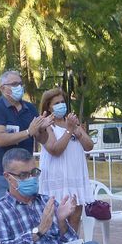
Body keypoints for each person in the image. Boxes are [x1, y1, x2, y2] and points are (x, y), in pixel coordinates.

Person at [37, 88, 92, 235]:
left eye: (62, 102)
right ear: (49, 107)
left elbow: (89, 146)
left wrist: (78, 133)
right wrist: (69, 131)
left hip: (75, 177)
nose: (61, 105)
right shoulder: (47, 125)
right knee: (57, 220)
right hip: (56, 178)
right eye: (56, 103)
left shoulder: (71, 122)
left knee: (75, 218)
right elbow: (55, 150)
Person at [0, 70, 42, 202]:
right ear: (2, 88)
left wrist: (43, 128)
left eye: (20, 84)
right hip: (1, 174)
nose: (19, 87)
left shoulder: (30, 108)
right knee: (4, 208)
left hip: (27, 173)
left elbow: (41, 139)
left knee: (28, 207)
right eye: (14, 84)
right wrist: (28, 132)